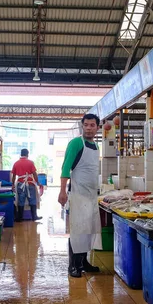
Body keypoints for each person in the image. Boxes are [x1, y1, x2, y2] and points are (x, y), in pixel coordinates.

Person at [58, 113, 102, 278]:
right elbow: (65, 168)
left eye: (92, 125)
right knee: (78, 230)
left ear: (97, 127)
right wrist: (62, 191)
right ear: (82, 126)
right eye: (86, 125)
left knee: (89, 229)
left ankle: (83, 262)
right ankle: (73, 266)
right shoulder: (76, 143)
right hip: (78, 194)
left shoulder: (96, 146)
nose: (89, 128)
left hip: (91, 195)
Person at [11, 148, 40, 221]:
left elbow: (14, 176)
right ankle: (34, 217)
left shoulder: (16, 163)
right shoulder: (30, 162)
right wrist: (37, 182)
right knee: (32, 200)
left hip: (20, 184)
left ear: (21, 154)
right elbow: (34, 174)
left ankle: (20, 218)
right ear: (27, 154)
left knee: (21, 201)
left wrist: (13, 185)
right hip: (30, 183)